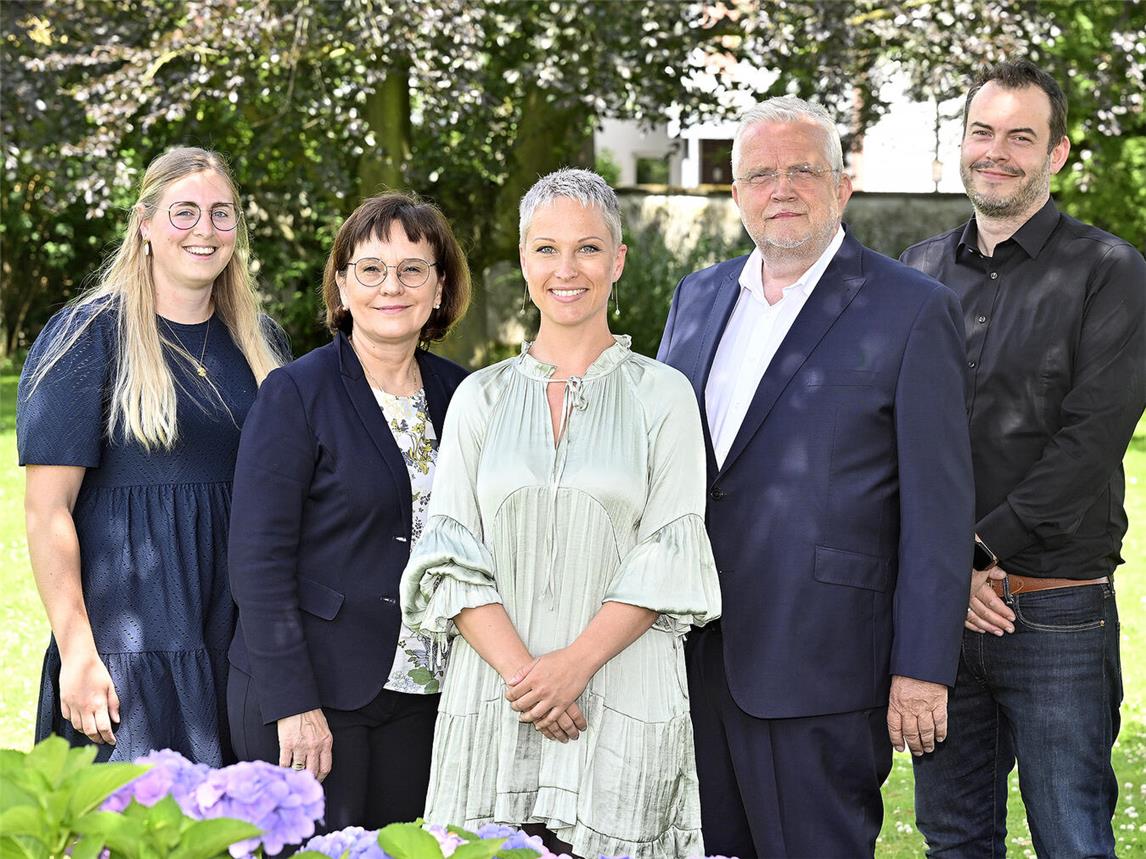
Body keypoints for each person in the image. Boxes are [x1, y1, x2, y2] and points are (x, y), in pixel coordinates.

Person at [657, 96, 975, 857]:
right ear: (735, 194)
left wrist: (923, 669)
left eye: (804, 168)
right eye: (760, 173)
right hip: (690, 659)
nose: (782, 187)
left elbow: (939, 507)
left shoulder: (912, 309)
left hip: (824, 665)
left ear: (842, 185)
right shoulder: (697, 297)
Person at [400, 168, 721, 859]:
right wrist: (531, 679)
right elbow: (450, 555)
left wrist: (572, 666)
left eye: (588, 248)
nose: (566, 268)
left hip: (619, 694)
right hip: (496, 700)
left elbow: (668, 554)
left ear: (618, 261)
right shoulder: (478, 398)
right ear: (523, 260)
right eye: (546, 249)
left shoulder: (664, 396)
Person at [901, 59, 1146, 858]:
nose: (995, 151)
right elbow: (891, 438)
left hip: (1055, 612)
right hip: (940, 619)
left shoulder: (1109, 272)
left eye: (1021, 136)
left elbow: (1092, 437)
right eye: (982, 131)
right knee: (953, 839)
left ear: (1058, 153)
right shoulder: (919, 271)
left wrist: (972, 552)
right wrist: (945, 575)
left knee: (1072, 837)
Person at [17, 146, 287, 765]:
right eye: (184, 211)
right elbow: (46, 510)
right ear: (144, 223)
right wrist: (79, 651)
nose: (205, 230)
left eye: (222, 214)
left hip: (237, 634)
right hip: (129, 642)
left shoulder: (261, 345)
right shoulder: (88, 335)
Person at [226, 193, 471, 832]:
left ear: (440, 287)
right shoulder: (295, 393)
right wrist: (294, 703)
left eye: (413, 269)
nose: (392, 285)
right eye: (370, 268)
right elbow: (258, 560)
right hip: (317, 693)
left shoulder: (465, 395)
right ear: (341, 282)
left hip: (429, 691)